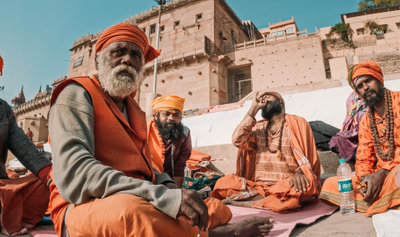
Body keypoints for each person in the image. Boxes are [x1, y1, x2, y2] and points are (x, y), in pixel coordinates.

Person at [48, 23, 273, 237]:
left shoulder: (134, 110)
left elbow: (147, 168)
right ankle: (216, 234)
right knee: (134, 214)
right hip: (83, 206)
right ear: (99, 60)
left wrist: (169, 190)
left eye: (136, 55)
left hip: (141, 193)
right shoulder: (76, 94)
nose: (128, 59)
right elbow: (76, 173)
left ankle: (189, 229)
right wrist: (161, 196)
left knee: (214, 208)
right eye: (119, 52)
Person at [320, 61, 400, 216]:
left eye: (368, 81)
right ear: (358, 93)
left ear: (379, 79)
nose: (365, 87)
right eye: (360, 86)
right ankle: (387, 199)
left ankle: (376, 202)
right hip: (381, 179)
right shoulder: (366, 120)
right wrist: (366, 181)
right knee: (331, 185)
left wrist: (384, 172)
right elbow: (364, 158)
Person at [212, 91, 321, 212]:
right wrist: (253, 108)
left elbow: (308, 155)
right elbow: (237, 140)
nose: (264, 98)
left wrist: (300, 172)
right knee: (223, 183)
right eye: (262, 98)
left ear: (280, 102)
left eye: (268, 95)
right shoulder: (258, 127)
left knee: (306, 185)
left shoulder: (297, 123)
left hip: (286, 184)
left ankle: (250, 202)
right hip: (259, 188)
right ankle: (268, 201)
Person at [0, 75, 51, 235]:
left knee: (48, 182)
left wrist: (48, 174)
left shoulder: (4, 109)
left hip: (2, 186)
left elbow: (23, 146)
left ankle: (13, 215)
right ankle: (10, 216)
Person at [148, 95, 191, 187]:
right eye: (166, 114)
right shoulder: (145, 130)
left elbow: (180, 164)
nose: (171, 118)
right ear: (156, 116)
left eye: (176, 115)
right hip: (146, 180)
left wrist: (176, 193)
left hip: (170, 182)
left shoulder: (185, 133)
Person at [329, 91, 367, 164]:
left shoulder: (373, 100)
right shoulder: (352, 98)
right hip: (351, 133)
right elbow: (348, 120)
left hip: (364, 135)